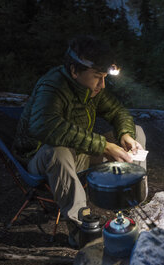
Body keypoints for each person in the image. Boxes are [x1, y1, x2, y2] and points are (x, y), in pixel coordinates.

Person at [13, 35, 146, 246]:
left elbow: (118, 111)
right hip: (41, 160)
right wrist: (104, 146)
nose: (102, 85)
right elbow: (43, 125)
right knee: (59, 151)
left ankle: (129, 201)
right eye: (97, 77)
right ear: (75, 71)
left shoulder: (92, 89)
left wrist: (125, 135)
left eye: (104, 77)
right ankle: (82, 228)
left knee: (137, 132)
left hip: (78, 152)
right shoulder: (52, 86)